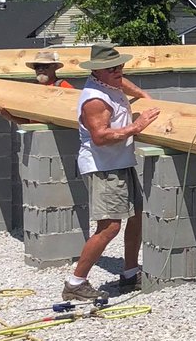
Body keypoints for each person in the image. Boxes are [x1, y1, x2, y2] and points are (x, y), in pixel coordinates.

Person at [63, 44, 160, 302]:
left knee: (136, 215)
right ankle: (76, 282)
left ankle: (130, 273)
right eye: (112, 68)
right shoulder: (95, 100)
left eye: (120, 66)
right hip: (104, 167)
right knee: (109, 227)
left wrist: (143, 95)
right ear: (97, 72)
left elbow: (121, 84)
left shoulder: (110, 82)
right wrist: (136, 127)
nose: (119, 71)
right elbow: (100, 137)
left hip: (120, 162)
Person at [0, 51, 74, 125]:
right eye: (37, 67)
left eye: (45, 67)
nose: (40, 70)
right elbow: (28, 122)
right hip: (35, 135)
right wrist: (10, 117)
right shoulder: (32, 89)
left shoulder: (64, 87)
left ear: (54, 67)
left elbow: (74, 114)